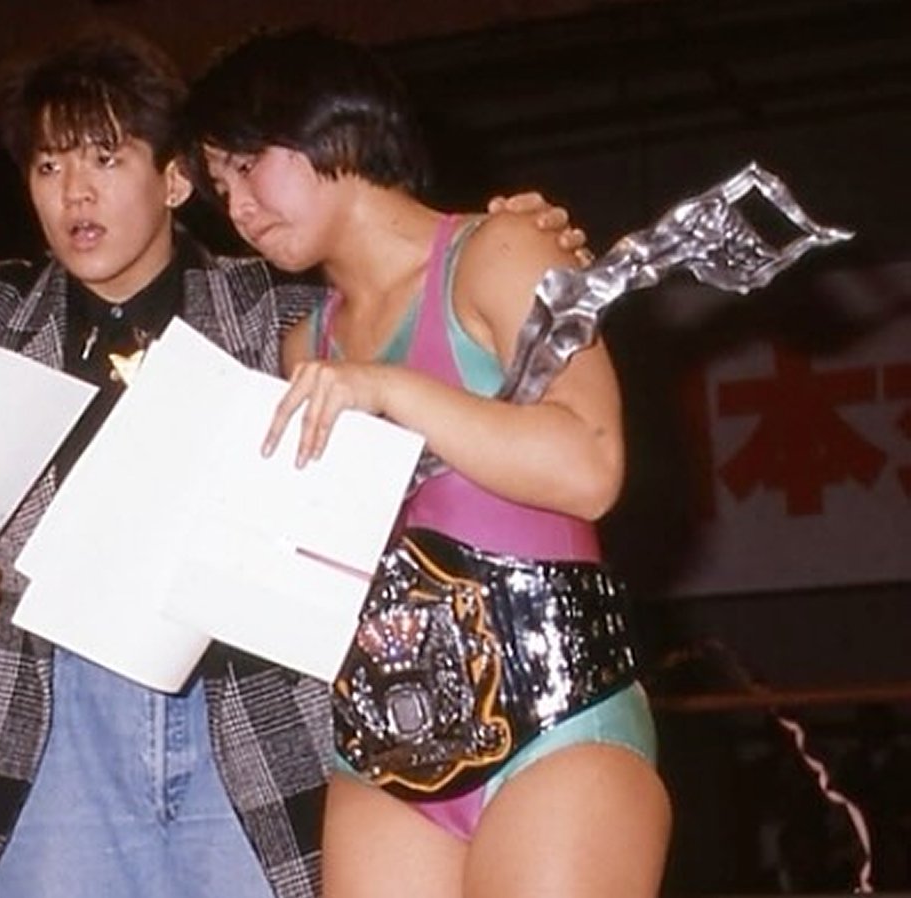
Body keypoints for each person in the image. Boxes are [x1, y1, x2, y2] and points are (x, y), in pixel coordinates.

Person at [0, 28, 587, 898]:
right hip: (46, 716)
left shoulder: (283, 311)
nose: (76, 194)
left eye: (106, 157)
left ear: (176, 179)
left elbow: (407, 282)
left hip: (242, 718)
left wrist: (514, 236)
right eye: (49, 167)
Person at [186, 27, 670, 898]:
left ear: (331, 129)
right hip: (382, 744)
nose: (238, 206)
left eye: (249, 166)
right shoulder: (306, 341)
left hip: (557, 723)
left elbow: (591, 465)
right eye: (219, 186)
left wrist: (393, 393)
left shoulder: (503, 251)